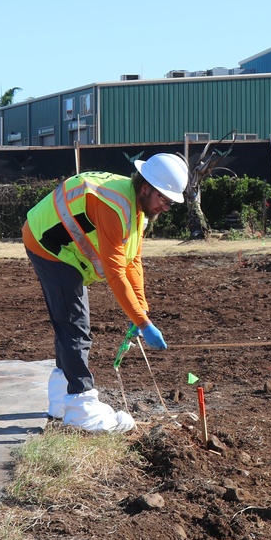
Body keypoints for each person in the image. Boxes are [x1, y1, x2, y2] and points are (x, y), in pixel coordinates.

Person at [23, 153, 188, 433]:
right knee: (74, 325)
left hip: (67, 252)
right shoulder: (114, 205)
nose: (166, 207)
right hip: (48, 246)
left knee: (72, 321)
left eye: (170, 202)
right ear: (145, 187)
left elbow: (132, 261)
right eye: (164, 199)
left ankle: (61, 398)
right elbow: (115, 272)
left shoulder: (139, 211)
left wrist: (141, 310)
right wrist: (142, 323)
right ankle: (80, 407)